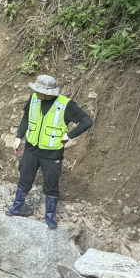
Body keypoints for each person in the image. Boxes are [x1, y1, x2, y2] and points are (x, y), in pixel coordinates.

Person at [6, 74, 93, 228]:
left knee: (51, 183)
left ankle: (50, 217)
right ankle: (16, 208)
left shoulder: (66, 104)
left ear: (48, 93)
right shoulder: (33, 98)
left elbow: (86, 121)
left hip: (52, 154)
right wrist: (19, 137)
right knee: (25, 178)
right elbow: (26, 118)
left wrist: (69, 135)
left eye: (39, 91)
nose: (35, 92)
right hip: (31, 149)